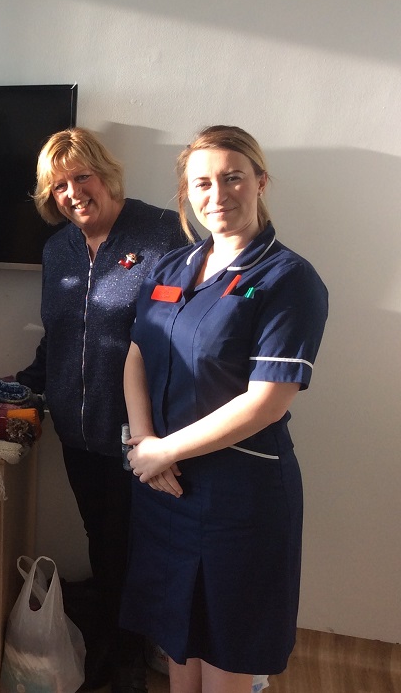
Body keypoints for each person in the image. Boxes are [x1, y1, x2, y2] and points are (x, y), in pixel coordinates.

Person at [120, 126, 329, 693]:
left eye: (233, 177)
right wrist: (144, 444)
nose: (219, 194)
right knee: (178, 650)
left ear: (260, 181)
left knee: (226, 662)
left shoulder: (289, 280)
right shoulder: (172, 268)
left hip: (240, 499)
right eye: (203, 182)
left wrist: (163, 450)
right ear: (187, 193)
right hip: (164, 487)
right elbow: (138, 352)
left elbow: (266, 401)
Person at [16, 128, 188, 693]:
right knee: (104, 539)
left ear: (106, 174)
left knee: (133, 546)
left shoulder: (165, 234)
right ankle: (119, 648)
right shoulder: (57, 249)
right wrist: (23, 387)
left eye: (81, 176)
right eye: (58, 185)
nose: (72, 192)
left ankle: (125, 661)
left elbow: (191, 335)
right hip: (76, 426)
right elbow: (60, 336)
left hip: (143, 432)